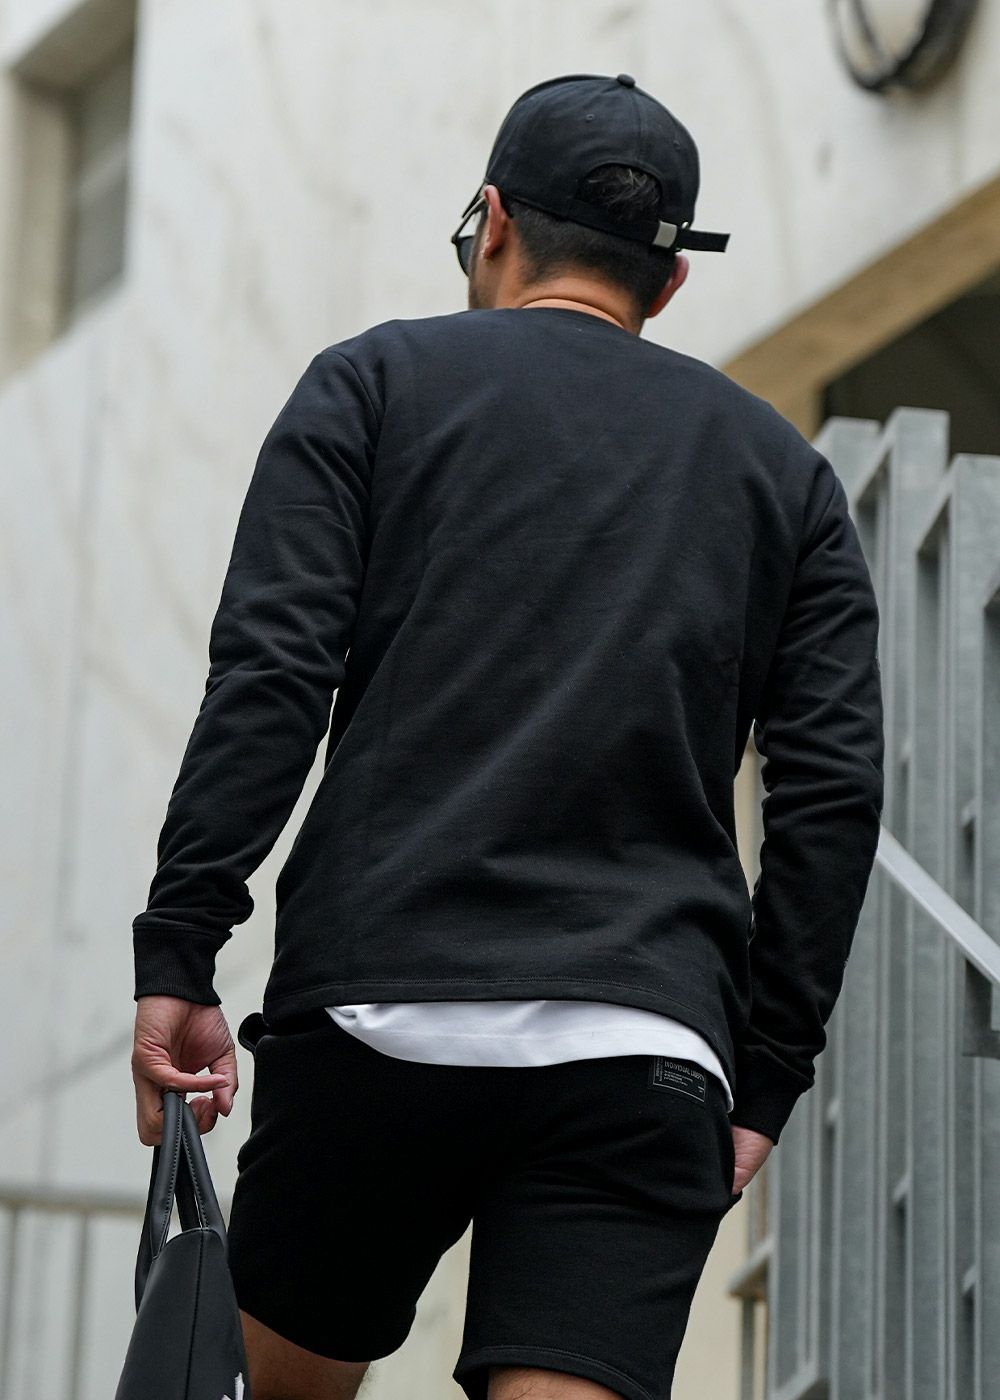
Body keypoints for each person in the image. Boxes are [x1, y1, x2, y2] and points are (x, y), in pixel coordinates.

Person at [130, 72, 884, 1400]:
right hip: (644, 1041)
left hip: (377, 1015)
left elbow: (271, 675)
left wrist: (183, 943)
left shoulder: (371, 385)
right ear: (670, 283)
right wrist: (766, 1071)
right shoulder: (787, 477)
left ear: (491, 222)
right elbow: (829, 797)